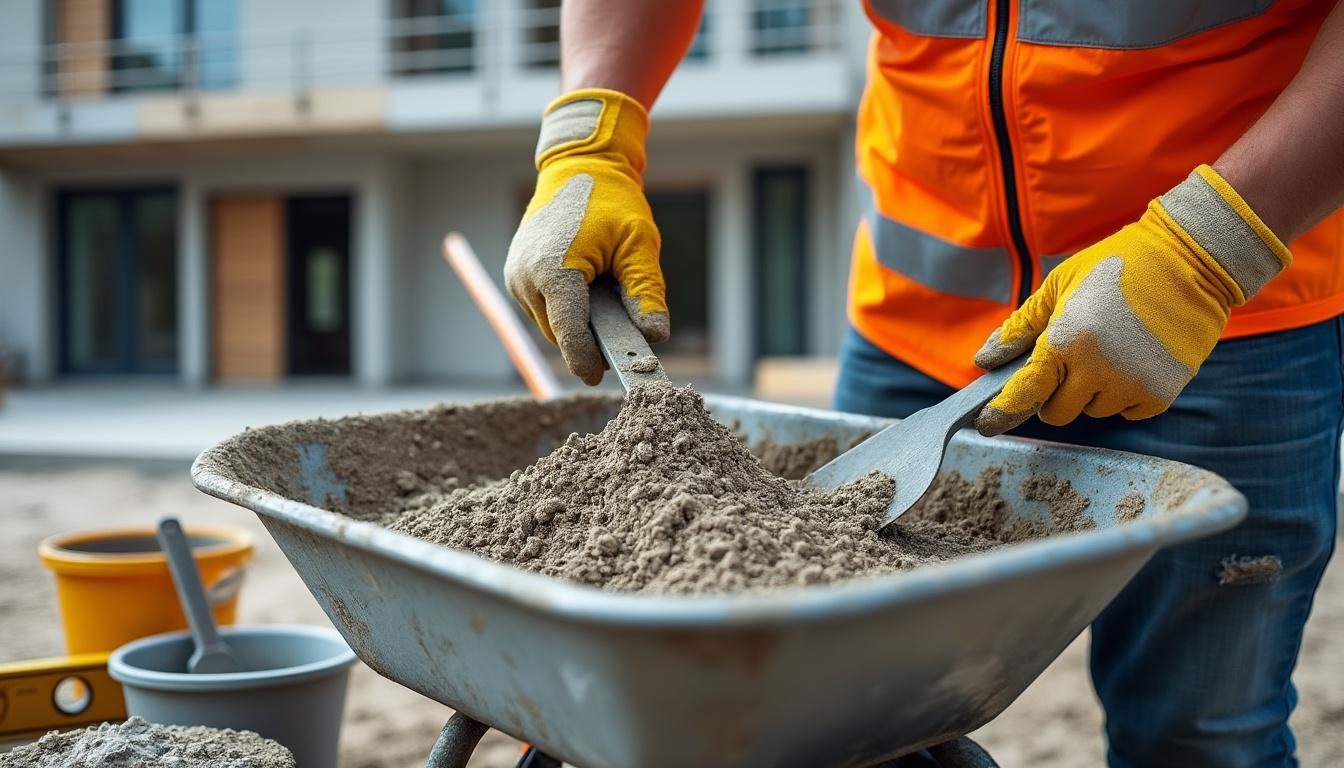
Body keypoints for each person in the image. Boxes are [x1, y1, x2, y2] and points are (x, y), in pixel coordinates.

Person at [503, 2, 1344, 765]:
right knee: (840, 722)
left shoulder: (1210, 276)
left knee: (1199, 738)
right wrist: (589, 135)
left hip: (1217, 319)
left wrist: (1210, 250)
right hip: (916, 325)